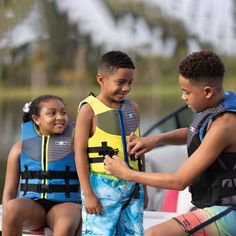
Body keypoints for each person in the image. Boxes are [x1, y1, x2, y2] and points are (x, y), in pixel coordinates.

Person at [104, 50, 236, 236]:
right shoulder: (219, 104)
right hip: (215, 205)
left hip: (230, 212)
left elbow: (179, 181)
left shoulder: (225, 124)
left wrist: (127, 173)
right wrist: (157, 139)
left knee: (153, 234)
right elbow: (193, 132)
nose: (183, 97)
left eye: (186, 92)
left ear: (207, 92)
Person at [74, 50, 148, 235]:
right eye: (120, 82)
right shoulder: (88, 110)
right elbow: (79, 153)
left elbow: (140, 151)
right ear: (101, 79)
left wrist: (144, 189)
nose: (126, 88)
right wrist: (88, 194)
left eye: (130, 82)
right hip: (101, 189)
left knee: (133, 232)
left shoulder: (134, 108)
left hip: (133, 188)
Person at [2, 95, 82, 236]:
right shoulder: (19, 148)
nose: (60, 117)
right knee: (12, 207)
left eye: (63, 112)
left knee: (65, 222)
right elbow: (9, 192)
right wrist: (8, 215)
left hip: (66, 205)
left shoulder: (76, 145)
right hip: (33, 208)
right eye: (52, 113)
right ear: (36, 119)